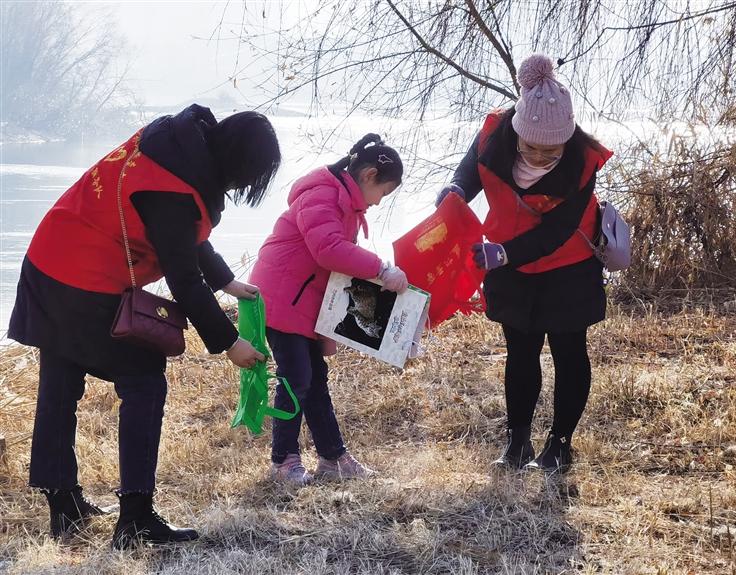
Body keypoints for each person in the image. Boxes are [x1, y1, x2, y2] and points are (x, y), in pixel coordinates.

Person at [8, 104, 281, 548]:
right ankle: (135, 518)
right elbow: (183, 275)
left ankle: (63, 504)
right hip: (81, 278)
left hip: (49, 259)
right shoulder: (175, 186)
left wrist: (228, 281)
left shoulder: (176, 146)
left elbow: (182, 232)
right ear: (238, 164)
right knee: (144, 380)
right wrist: (230, 342)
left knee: (59, 387)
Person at [435, 55, 612, 472]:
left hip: (569, 264)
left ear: (567, 139)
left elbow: (560, 229)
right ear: (517, 130)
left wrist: (505, 253)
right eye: (530, 146)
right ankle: (517, 444)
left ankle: (560, 445)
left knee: (568, 350)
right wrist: (455, 189)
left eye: (550, 150)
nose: (538, 155)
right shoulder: (496, 132)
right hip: (510, 266)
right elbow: (469, 172)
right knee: (520, 350)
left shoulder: (582, 160)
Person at [250, 133, 408, 486]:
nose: (380, 203)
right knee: (296, 377)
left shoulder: (345, 202)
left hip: (303, 301)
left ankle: (332, 457)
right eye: (383, 192)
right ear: (368, 176)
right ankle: (283, 461)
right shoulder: (322, 194)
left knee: (315, 379)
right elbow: (329, 250)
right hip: (281, 299)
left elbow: (335, 267)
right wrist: (381, 269)